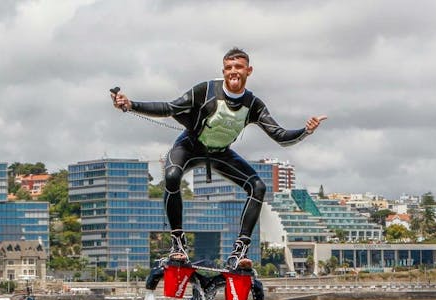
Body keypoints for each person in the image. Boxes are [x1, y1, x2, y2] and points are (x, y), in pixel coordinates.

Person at [111, 47, 327, 270]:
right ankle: (178, 245)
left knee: (258, 187)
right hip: (190, 146)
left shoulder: (253, 105)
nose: (233, 72)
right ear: (223, 71)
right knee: (172, 175)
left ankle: (238, 252)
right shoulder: (206, 91)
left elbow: (281, 137)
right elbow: (169, 108)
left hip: (220, 153)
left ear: (249, 71)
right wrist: (130, 104)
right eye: (229, 68)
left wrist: (306, 130)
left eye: (239, 67)